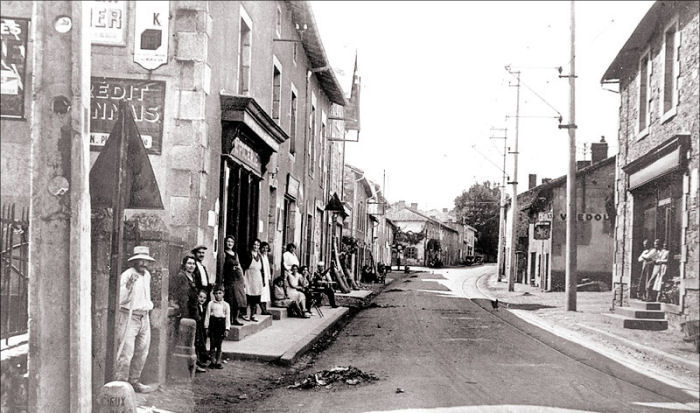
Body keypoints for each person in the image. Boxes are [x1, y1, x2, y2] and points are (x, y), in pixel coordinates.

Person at [116, 246, 156, 393]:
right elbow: (120, 299)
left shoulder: (147, 275)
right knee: (126, 353)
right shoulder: (127, 275)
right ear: (134, 261)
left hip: (144, 317)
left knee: (142, 351)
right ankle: (121, 385)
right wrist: (128, 285)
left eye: (146, 261)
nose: (143, 264)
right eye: (140, 260)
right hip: (129, 316)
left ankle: (134, 381)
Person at [169, 254, 207, 373]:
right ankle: (186, 366)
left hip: (194, 309)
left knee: (196, 338)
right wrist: (183, 313)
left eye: (193, 264)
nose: (191, 266)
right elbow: (181, 296)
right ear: (184, 265)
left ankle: (195, 363)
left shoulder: (193, 276)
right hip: (186, 311)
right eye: (189, 263)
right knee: (186, 339)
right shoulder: (182, 276)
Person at [205, 285, 230, 369]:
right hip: (213, 324)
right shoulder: (211, 304)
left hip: (221, 325)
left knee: (219, 344)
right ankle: (212, 361)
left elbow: (227, 317)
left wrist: (227, 328)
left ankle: (218, 361)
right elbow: (207, 315)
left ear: (223, 294)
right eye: (216, 293)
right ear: (213, 294)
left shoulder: (226, 305)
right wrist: (206, 327)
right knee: (212, 344)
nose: (218, 295)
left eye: (220, 293)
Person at [222, 236, 245, 326]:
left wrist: (243, 280)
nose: (230, 243)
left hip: (237, 279)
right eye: (228, 241)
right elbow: (222, 266)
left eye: (231, 242)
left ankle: (235, 319)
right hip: (229, 279)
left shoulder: (235, 254)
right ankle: (228, 320)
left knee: (237, 300)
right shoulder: (224, 253)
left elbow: (239, 266)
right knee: (229, 300)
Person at [242, 239, 265, 322]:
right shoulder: (248, 254)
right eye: (255, 245)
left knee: (255, 297)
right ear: (252, 245)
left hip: (257, 277)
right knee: (247, 295)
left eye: (258, 245)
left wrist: (263, 280)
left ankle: (253, 314)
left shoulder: (260, 256)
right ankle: (244, 314)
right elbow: (243, 266)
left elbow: (262, 269)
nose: (256, 246)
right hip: (249, 276)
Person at [194, 290, 209, 370]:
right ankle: (197, 362)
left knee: (201, 343)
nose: (202, 299)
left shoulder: (203, 307)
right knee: (197, 343)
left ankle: (200, 360)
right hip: (197, 327)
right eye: (200, 297)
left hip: (201, 328)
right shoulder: (196, 307)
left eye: (204, 298)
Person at [259, 242, 273, 315]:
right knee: (262, 294)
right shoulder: (259, 256)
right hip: (261, 277)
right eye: (263, 248)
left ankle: (265, 309)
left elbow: (268, 269)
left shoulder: (266, 256)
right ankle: (263, 309)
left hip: (266, 278)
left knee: (266, 294)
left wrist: (269, 278)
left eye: (266, 248)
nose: (265, 249)